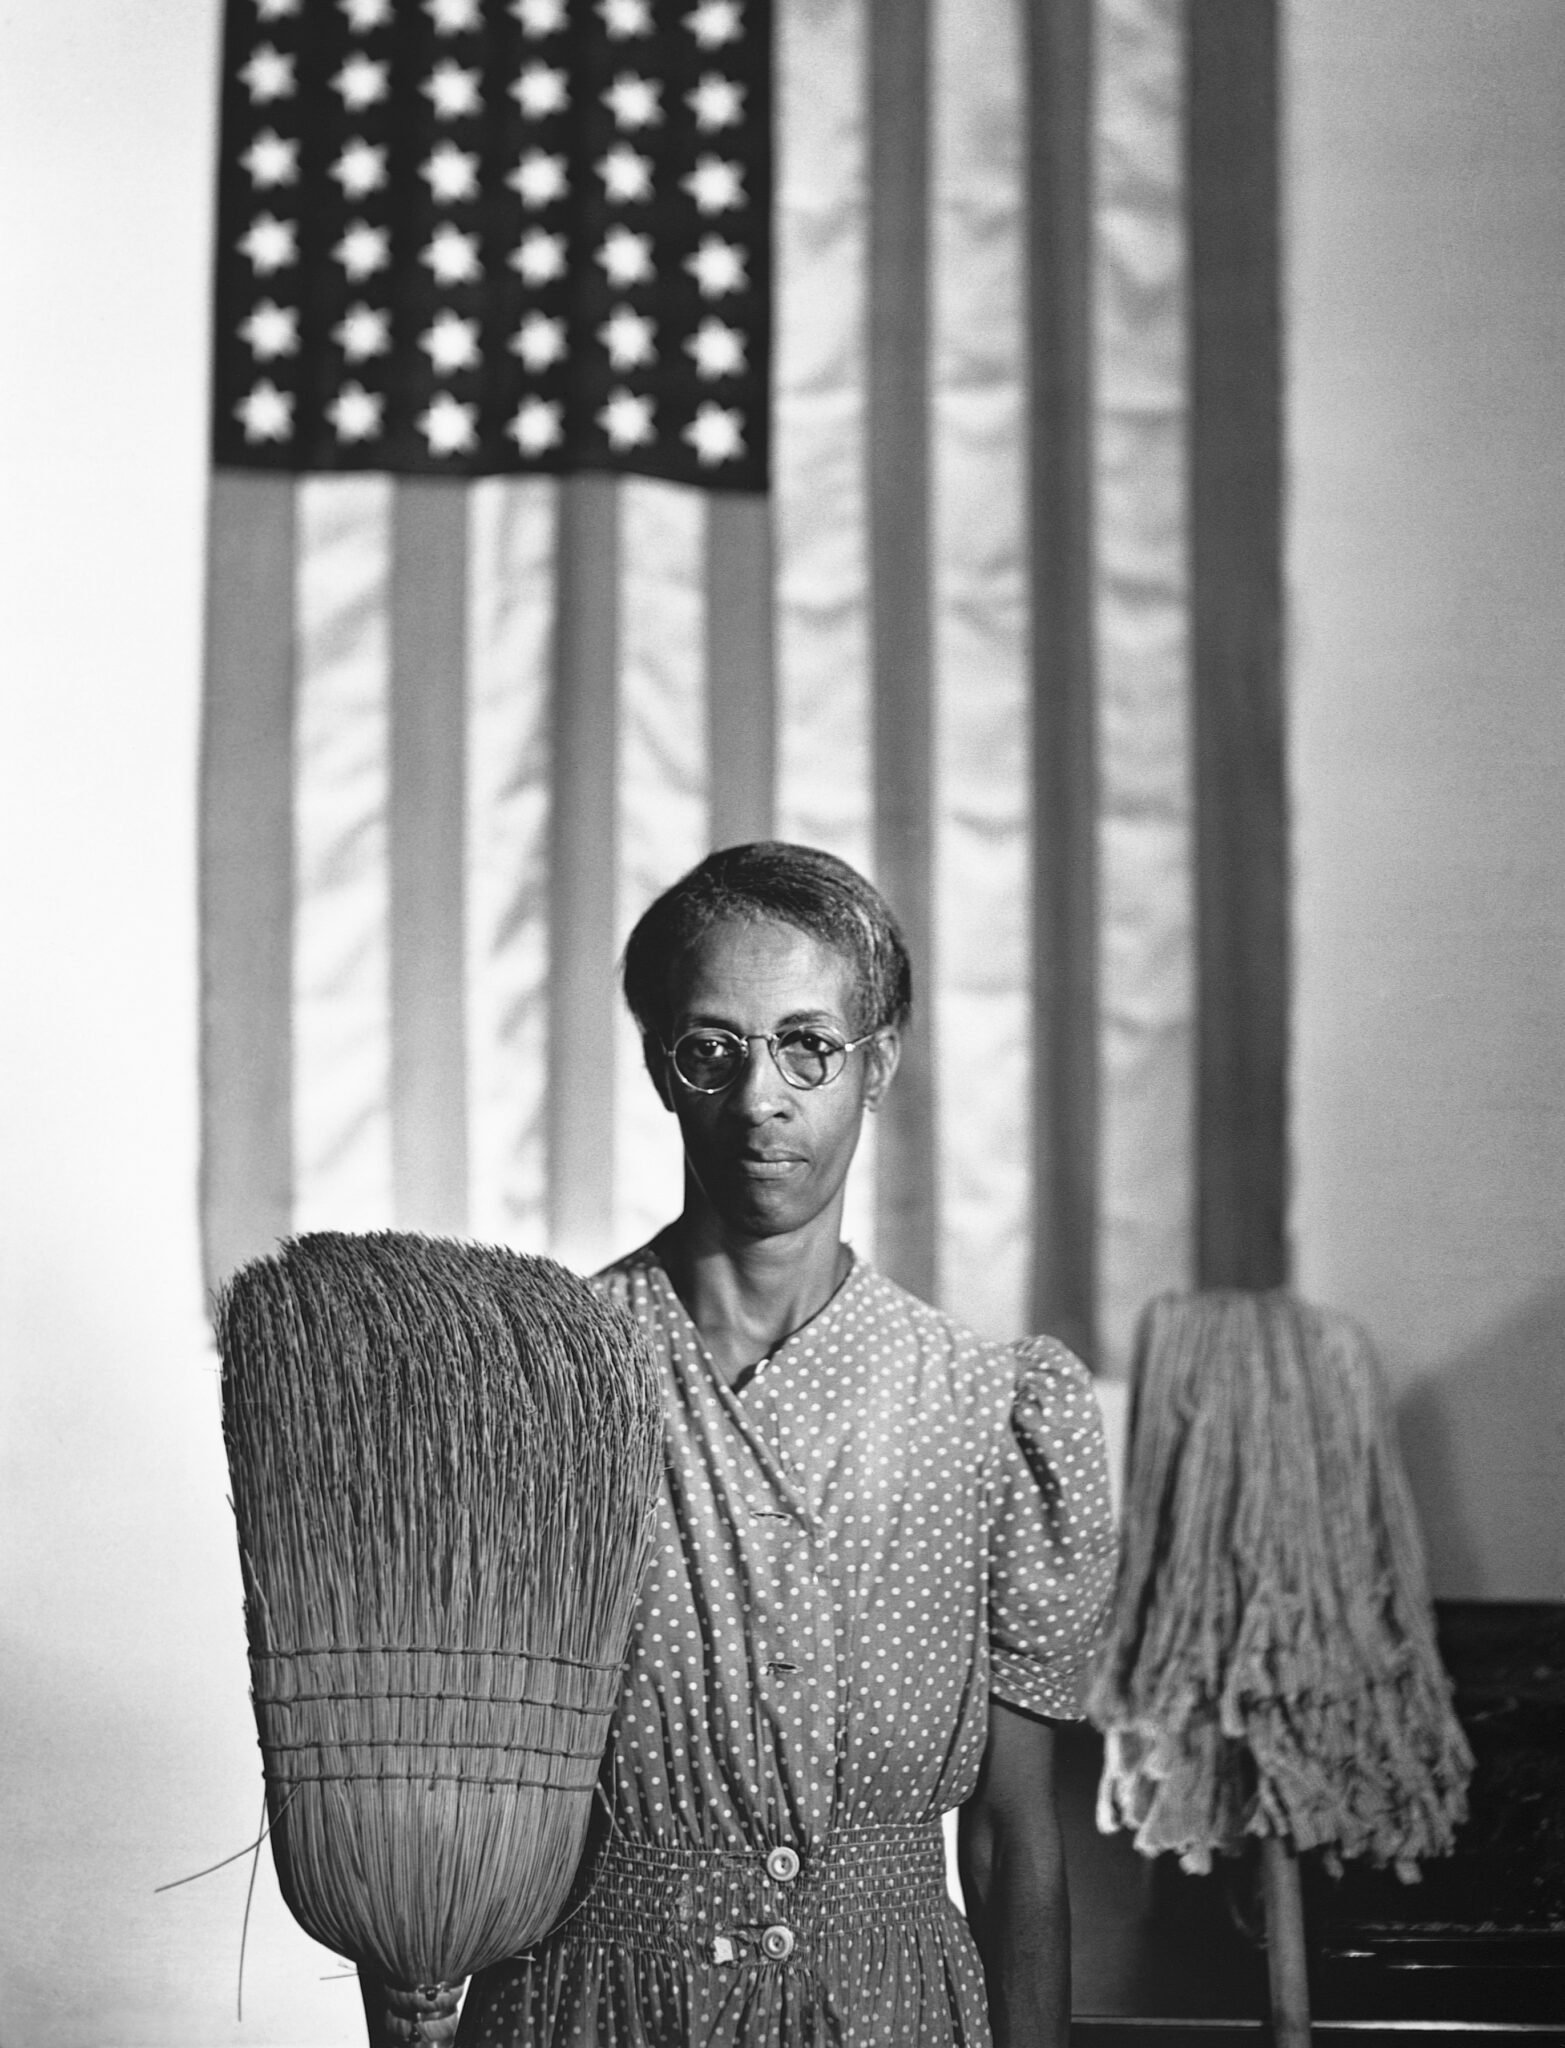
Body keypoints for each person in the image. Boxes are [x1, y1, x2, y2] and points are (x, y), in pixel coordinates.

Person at [389, 841, 1116, 2048]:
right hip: (596, 2009)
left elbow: (1011, 1838)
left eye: (806, 1045)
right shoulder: (543, 1383)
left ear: (877, 1062)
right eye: (710, 1049)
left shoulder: (985, 1408)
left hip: (891, 2014)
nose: (758, 1098)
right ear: (659, 1068)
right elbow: (439, 1800)